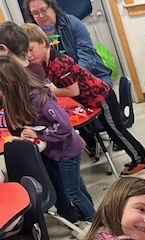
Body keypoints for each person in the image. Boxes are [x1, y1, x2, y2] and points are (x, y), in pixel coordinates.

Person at [24, 24, 145, 176]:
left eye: (31, 49)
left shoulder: (59, 63)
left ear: (42, 42)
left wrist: (50, 91)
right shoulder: (47, 62)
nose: (29, 55)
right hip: (94, 99)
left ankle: (141, 161)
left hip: (101, 97)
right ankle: (143, 154)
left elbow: (73, 91)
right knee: (117, 131)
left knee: (116, 132)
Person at [0, 56, 94, 229]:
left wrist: (41, 133)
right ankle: (89, 217)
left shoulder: (38, 98)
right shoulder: (23, 99)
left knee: (72, 191)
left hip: (68, 151)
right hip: (56, 152)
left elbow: (64, 125)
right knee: (76, 187)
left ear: (8, 85)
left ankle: (93, 223)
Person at [23, 0, 112, 86]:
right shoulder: (32, 36)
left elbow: (87, 55)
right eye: (35, 13)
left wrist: (74, 78)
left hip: (92, 75)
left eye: (43, 10)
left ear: (53, 7)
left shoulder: (73, 23)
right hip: (59, 84)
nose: (41, 16)